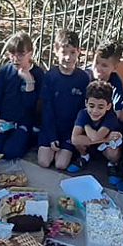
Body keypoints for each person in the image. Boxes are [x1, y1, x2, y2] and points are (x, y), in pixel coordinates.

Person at [0, 31, 45, 159]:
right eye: (12, 54)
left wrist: (29, 81)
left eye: (21, 54)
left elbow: (31, 106)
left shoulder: (38, 74)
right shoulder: (5, 71)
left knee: (10, 152)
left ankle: (31, 138)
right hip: (4, 119)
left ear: (30, 54)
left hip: (23, 122)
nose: (16, 59)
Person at [37, 29, 89, 171]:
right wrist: (51, 135)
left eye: (72, 52)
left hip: (70, 130)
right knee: (44, 162)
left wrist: (76, 134)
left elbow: (83, 110)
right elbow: (47, 108)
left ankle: (70, 151)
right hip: (50, 127)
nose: (68, 57)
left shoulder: (83, 78)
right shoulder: (50, 76)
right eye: (64, 52)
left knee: (61, 164)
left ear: (79, 52)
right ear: (55, 50)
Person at [68, 80, 123, 181]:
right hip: (94, 144)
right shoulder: (83, 113)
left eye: (100, 107)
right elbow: (74, 139)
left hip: (106, 147)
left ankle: (112, 164)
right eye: (91, 106)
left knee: (113, 152)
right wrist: (106, 139)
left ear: (108, 106)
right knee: (78, 142)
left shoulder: (111, 117)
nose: (95, 111)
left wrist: (86, 126)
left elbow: (96, 137)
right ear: (86, 103)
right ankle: (84, 156)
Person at [86, 41, 123, 111]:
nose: (98, 68)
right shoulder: (85, 76)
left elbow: (118, 110)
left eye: (104, 65)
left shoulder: (115, 82)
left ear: (115, 67)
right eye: (96, 62)